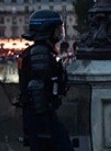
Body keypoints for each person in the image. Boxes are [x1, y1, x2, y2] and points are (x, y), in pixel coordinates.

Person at [18, 10, 74, 151]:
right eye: (57, 29)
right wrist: (44, 121)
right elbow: (36, 87)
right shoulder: (40, 53)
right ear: (48, 30)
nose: (59, 33)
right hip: (42, 117)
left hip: (37, 115)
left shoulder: (37, 50)